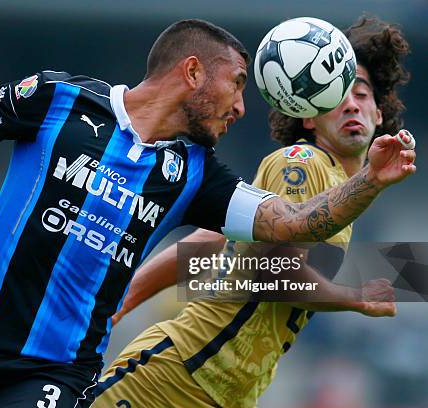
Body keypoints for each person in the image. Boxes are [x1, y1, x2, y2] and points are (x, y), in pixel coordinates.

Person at [0, 18, 415, 408]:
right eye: (236, 85)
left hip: (105, 373)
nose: (240, 106)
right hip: (162, 370)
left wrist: (369, 202)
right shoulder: (298, 164)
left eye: (366, 93)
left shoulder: (196, 172)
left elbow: (238, 245)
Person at [93, 16, 412, 408]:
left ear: (379, 113)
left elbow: (209, 243)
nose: (349, 103)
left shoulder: (338, 189)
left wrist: (122, 301)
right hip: (175, 378)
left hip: (222, 391)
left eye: (360, 94)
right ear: (307, 115)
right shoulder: (301, 161)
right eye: (334, 95)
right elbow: (270, 271)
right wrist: (354, 298)